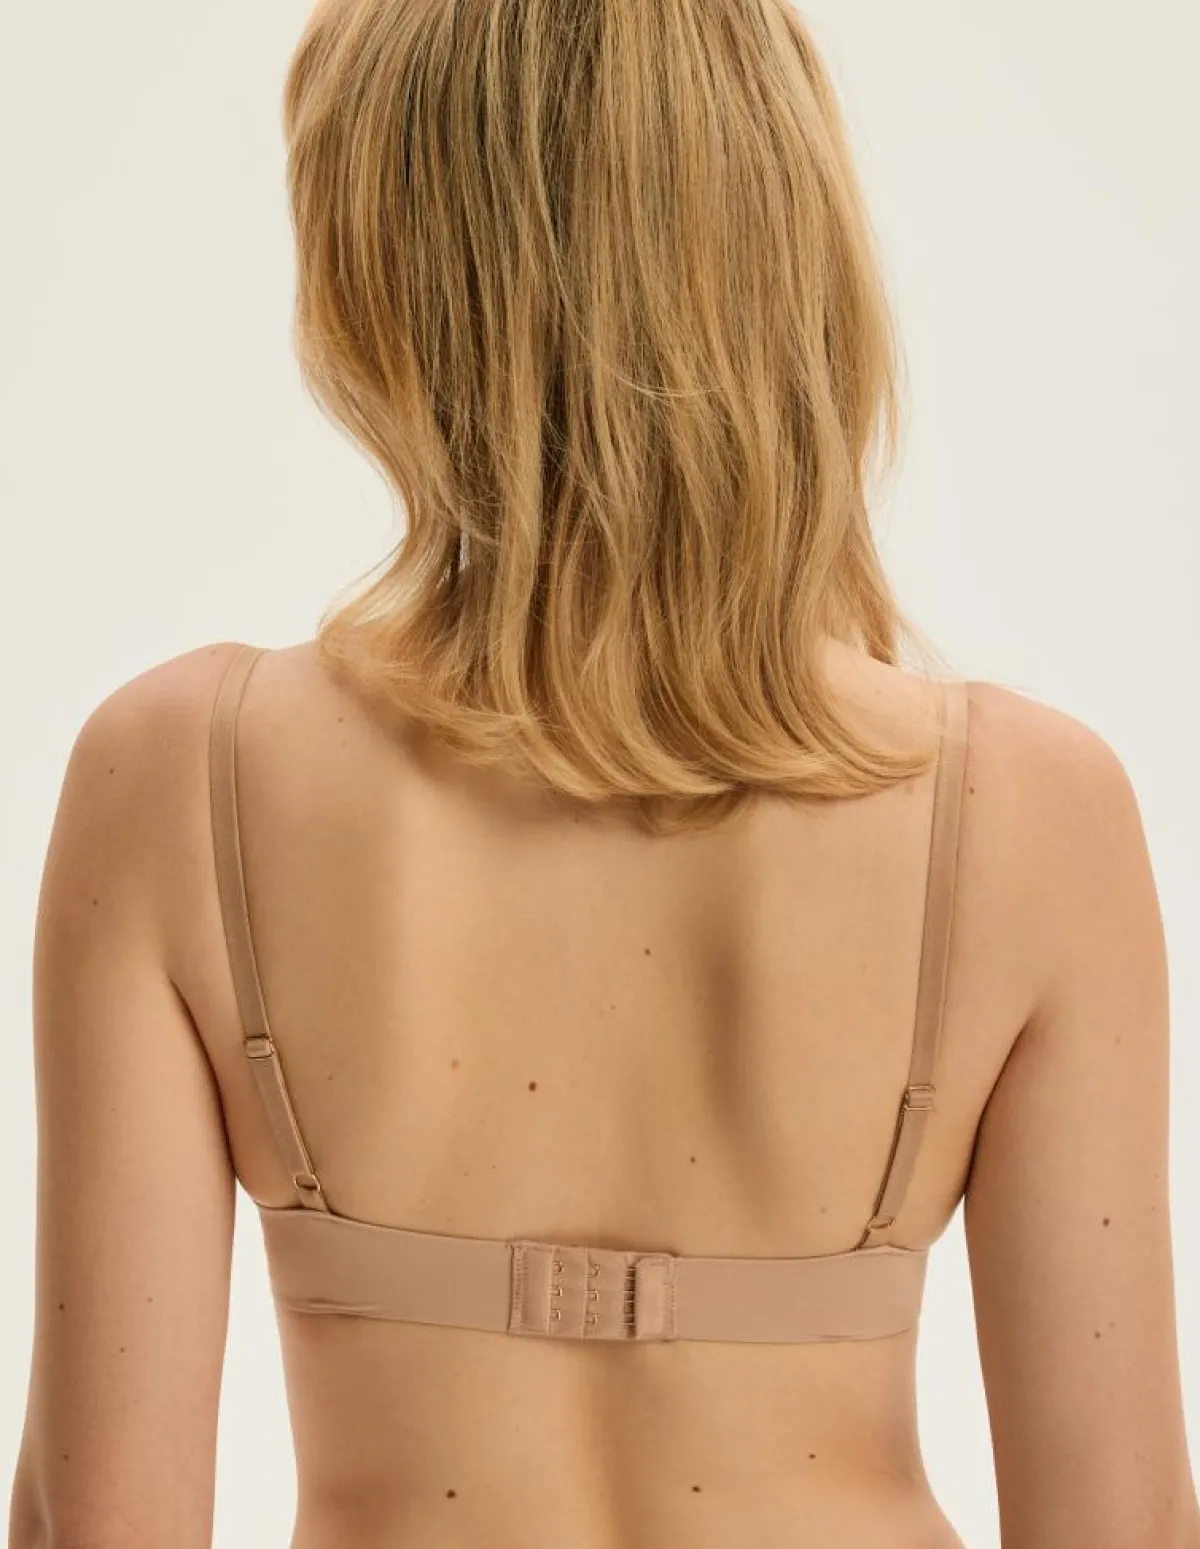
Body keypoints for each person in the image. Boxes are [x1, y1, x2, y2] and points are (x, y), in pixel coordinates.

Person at [9, 2, 1199, 1547]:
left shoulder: (179, 778)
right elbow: (1121, 1523)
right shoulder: (1028, 809)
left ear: (386, 279)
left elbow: (103, 1522)